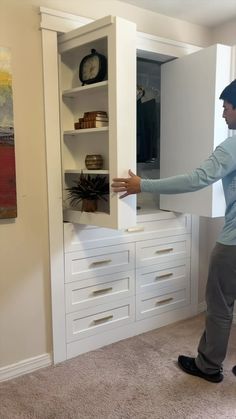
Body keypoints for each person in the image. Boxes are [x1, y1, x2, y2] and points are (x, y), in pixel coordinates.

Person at [111, 79, 236, 384]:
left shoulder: (232, 145)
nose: (222, 113)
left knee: (219, 306)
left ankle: (208, 366)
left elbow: (197, 179)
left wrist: (144, 185)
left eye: (226, 106)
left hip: (233, 245)